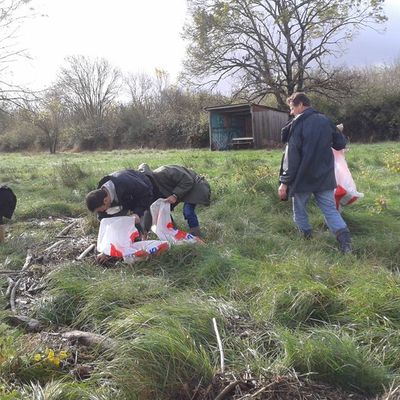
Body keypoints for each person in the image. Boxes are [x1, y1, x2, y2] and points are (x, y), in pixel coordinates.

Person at [278, 92, 352, 253]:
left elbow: (292, 156)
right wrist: (336, 131)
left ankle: (306, 241)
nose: (291, 112)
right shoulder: (325, 120)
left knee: (299, 209)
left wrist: (284, 182)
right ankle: (346, 244)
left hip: (302, 178)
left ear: (301, 105)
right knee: (330, 209)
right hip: (324, 176)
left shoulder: (297, 124)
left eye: (292, 108)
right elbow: (340, 144)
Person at [138, 163, 211, 238]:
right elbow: (150, 209)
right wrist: (144, 230)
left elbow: (188, 180)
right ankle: (172, 231)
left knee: (188, 211)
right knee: (162, 209)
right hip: (184, 190)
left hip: (196, 185)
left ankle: (197, 236)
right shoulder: (151, 188)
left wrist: (175, 195)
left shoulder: (165, 171)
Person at [85, 168, 154, 229]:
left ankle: (143, 234)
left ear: (105, 200)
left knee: (142, 221)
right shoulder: (99, 197)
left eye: (101, 209)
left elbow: (146, 194)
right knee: (116, 225)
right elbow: (103, 218)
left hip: (145, 189)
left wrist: (137, 213)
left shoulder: (125, 183)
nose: (102, 211)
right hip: (124, 202)